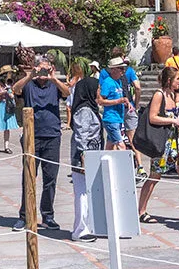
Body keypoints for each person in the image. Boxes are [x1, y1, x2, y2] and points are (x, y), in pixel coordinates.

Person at [137, 66, 179, 224]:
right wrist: (173, 120)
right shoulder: (159, 95)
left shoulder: (173, 95)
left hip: (176, 142)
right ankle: (141, 211)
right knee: (155, 176)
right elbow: (153, 118)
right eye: (177, 79)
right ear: (169, 81)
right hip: (163, 144)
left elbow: (174, 114)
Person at [12, 56, 69, 233]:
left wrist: (53, 78)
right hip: (32, 136)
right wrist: (30, 76)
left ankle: (48, 215)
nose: (43, 73)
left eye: (46, 69)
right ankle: (25, 216)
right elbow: (16, 89)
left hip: (52, 136)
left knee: (50, 178)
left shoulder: (54, 85)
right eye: (40, 69)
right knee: (28, 177)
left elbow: (67, 93)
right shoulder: (29, 84)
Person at [67, 65, 102, 243]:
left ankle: (88, 225)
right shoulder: (84, 111)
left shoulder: (90, 108)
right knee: (82, 194)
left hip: (90, 155)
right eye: (97, 89)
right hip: (84, 158)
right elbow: (81, 135)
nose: (99, 93)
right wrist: (83, 158)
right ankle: (80, 230)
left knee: (87, 193)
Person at [97, 57, 130, 150]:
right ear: (113, 69)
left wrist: (126, 101)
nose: (123, 71)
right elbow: (101, 101)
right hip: (111, 118)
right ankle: (126, 164)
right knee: (121, 145)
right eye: (121, 68)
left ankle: (104, 162)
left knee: (110, 144)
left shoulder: (118, 82)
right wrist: (118, 101)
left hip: (118, 118)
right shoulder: (107, 82)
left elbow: (119, 97)